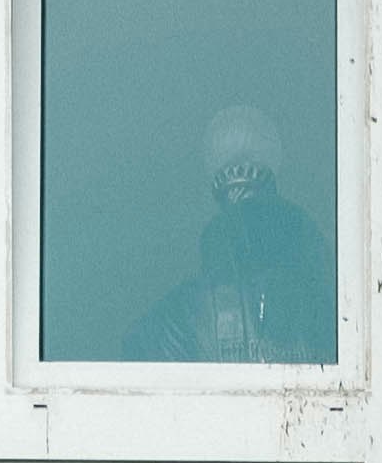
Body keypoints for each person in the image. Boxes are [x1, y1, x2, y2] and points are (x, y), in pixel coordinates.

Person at [141, 103, 332, 362]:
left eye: (263, 220)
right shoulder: (188, 314)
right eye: (241, 225)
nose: (252, 237)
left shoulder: (318, 305)